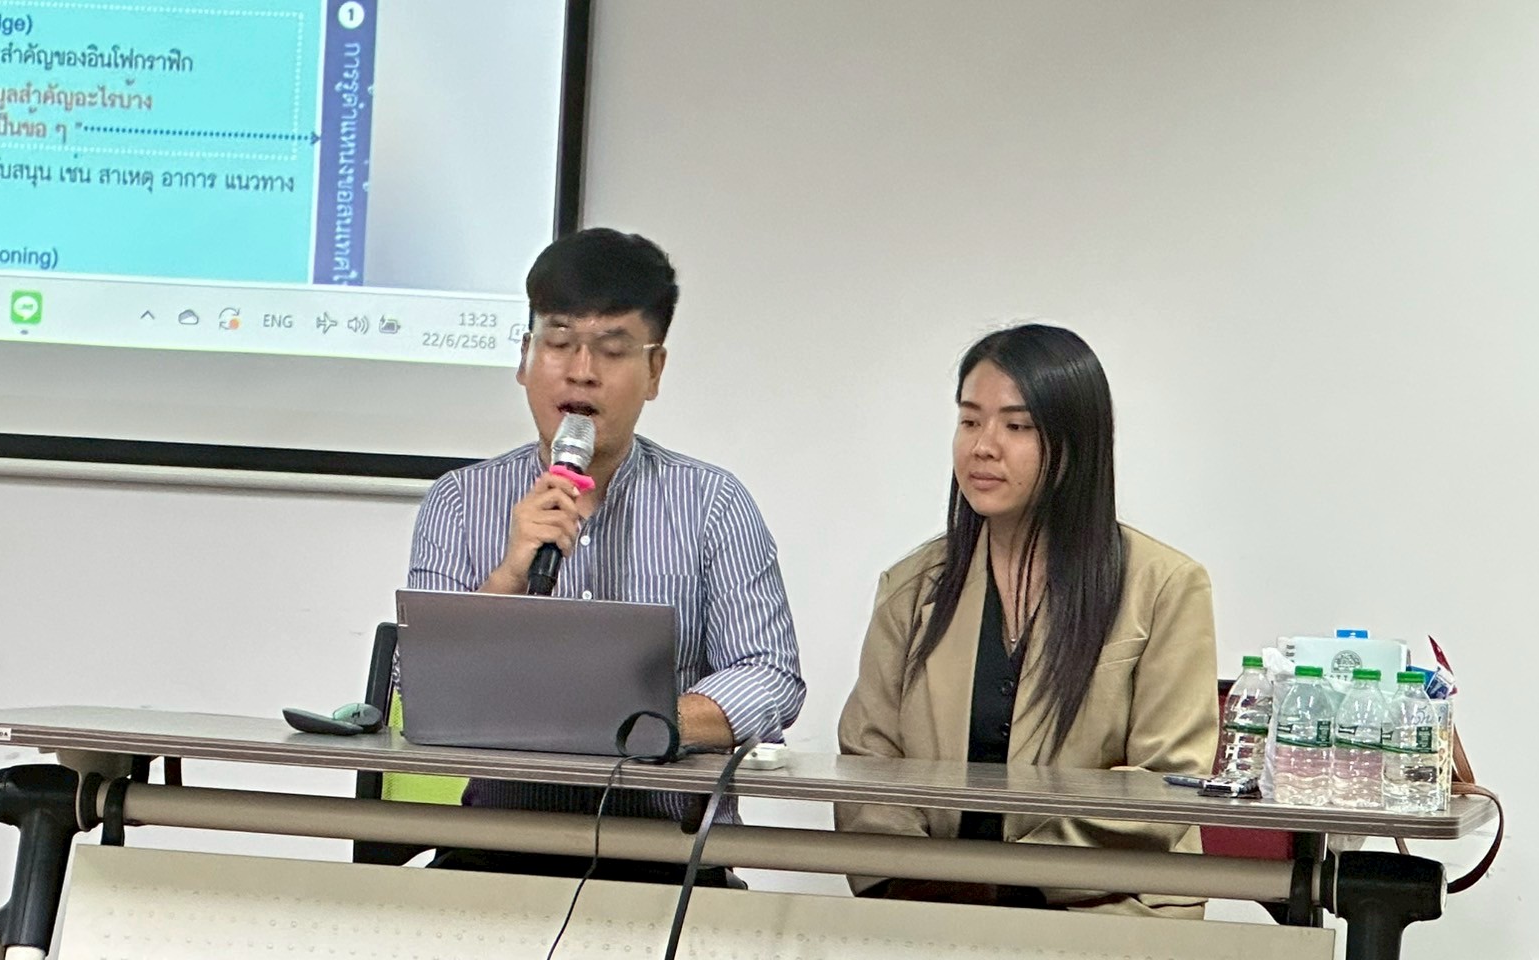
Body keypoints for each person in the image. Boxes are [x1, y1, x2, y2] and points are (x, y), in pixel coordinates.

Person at [406, 227, 806, 886]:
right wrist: (509, 575)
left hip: (669, 856)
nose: (582, 370)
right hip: (497, 851)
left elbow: (769, 675)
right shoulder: (458, 502)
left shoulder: (713, 504)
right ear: (525, 357)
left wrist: (645, 724)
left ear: (655, 371)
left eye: (613, 349)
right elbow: (419, 687)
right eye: (559, 341)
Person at [835, 323, 1217, 917]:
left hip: (1108, 908)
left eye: (1017, 426)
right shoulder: (910, 587)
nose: (983, 446)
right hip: (934, 909)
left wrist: (1009, 882)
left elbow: (1165, 783)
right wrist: (917, 883)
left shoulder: (1164, 585)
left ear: (1077, 443)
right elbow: (868, 762)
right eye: (969, 421)